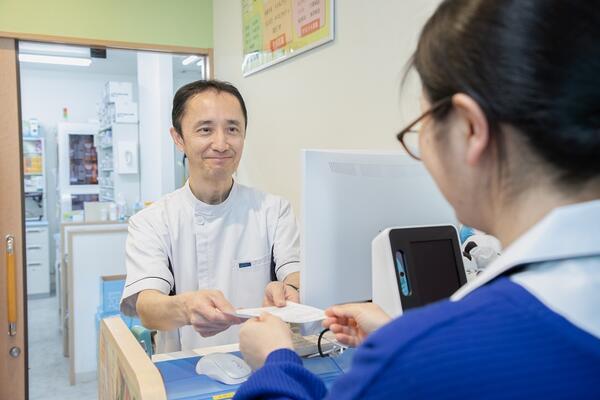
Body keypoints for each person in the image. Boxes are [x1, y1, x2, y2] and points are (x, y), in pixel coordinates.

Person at [234, 0, 600, 398]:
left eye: (422, 124)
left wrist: (275, 363)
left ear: (469, 129)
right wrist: (402, 337)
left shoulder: (425, 359)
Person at [120, 80, 301, 352]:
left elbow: (294, 271)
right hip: (185, 368)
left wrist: (292, 290)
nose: (221, 143)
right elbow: (147, 307)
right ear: (178, 138)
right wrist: (185, 308)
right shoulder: (152, 221)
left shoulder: (273, 210)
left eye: (232, 129)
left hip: (264, 359)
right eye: (205, 130)